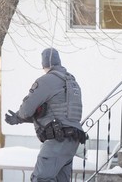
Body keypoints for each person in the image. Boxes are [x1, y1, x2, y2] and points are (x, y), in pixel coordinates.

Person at [5, 48, 86, 182]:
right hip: (72, 140)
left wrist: (18, 117)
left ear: (43, 64)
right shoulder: (72, 82)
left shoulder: (47, 80)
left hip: (57, 140)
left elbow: (26, 110)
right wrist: (23, 119)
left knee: (41, 178)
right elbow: (58, 113)